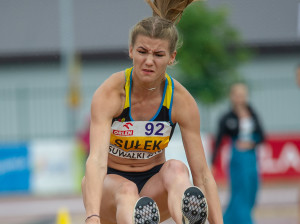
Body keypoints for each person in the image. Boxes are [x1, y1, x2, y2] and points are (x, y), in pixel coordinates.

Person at [81, 0, 224, 223]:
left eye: (158, 54)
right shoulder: (111, 93)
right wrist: (92, 216)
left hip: (153, 192)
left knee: (177, 169)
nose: (149, 61)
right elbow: (96, 160)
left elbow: (203, 176)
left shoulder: (180, 101)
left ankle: (187, 219)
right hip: (109, 188)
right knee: (127, 190)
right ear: (131, 51)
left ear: (172, 57)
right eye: (142, 51)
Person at [211, 83, 265, 224]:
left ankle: (230, 219)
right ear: (232, 96)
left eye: (242, 95)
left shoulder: (253, 114)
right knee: (240, 192)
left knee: (252, 190)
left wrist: (251, 143)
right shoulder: (227, 118)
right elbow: (218, 141)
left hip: (252, 158)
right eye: (237, 95)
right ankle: (244, 221)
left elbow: (262, 136)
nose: (240, 98)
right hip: (237, 158)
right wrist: (213, 163)